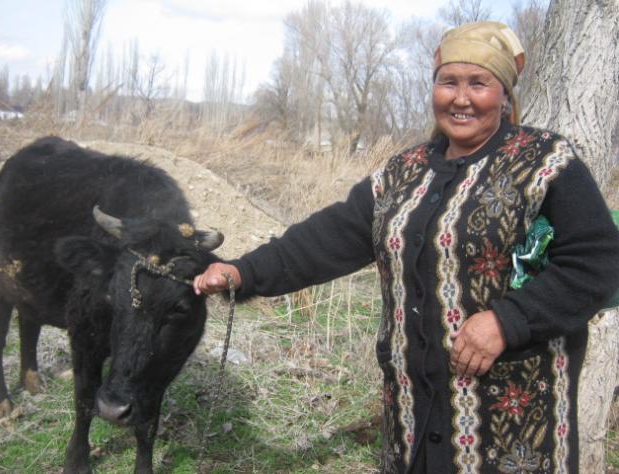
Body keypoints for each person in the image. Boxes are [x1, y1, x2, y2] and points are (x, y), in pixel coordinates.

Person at [194, 21, 619, 473]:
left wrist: (507, 321)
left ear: (504, 95)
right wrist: (241, 272)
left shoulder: (543, 161)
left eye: (478, 83)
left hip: (513, 426)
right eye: (448, 82)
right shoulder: (403, 173)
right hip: (412, 419)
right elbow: (323, 239)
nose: (460, 98)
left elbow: (600, 262)